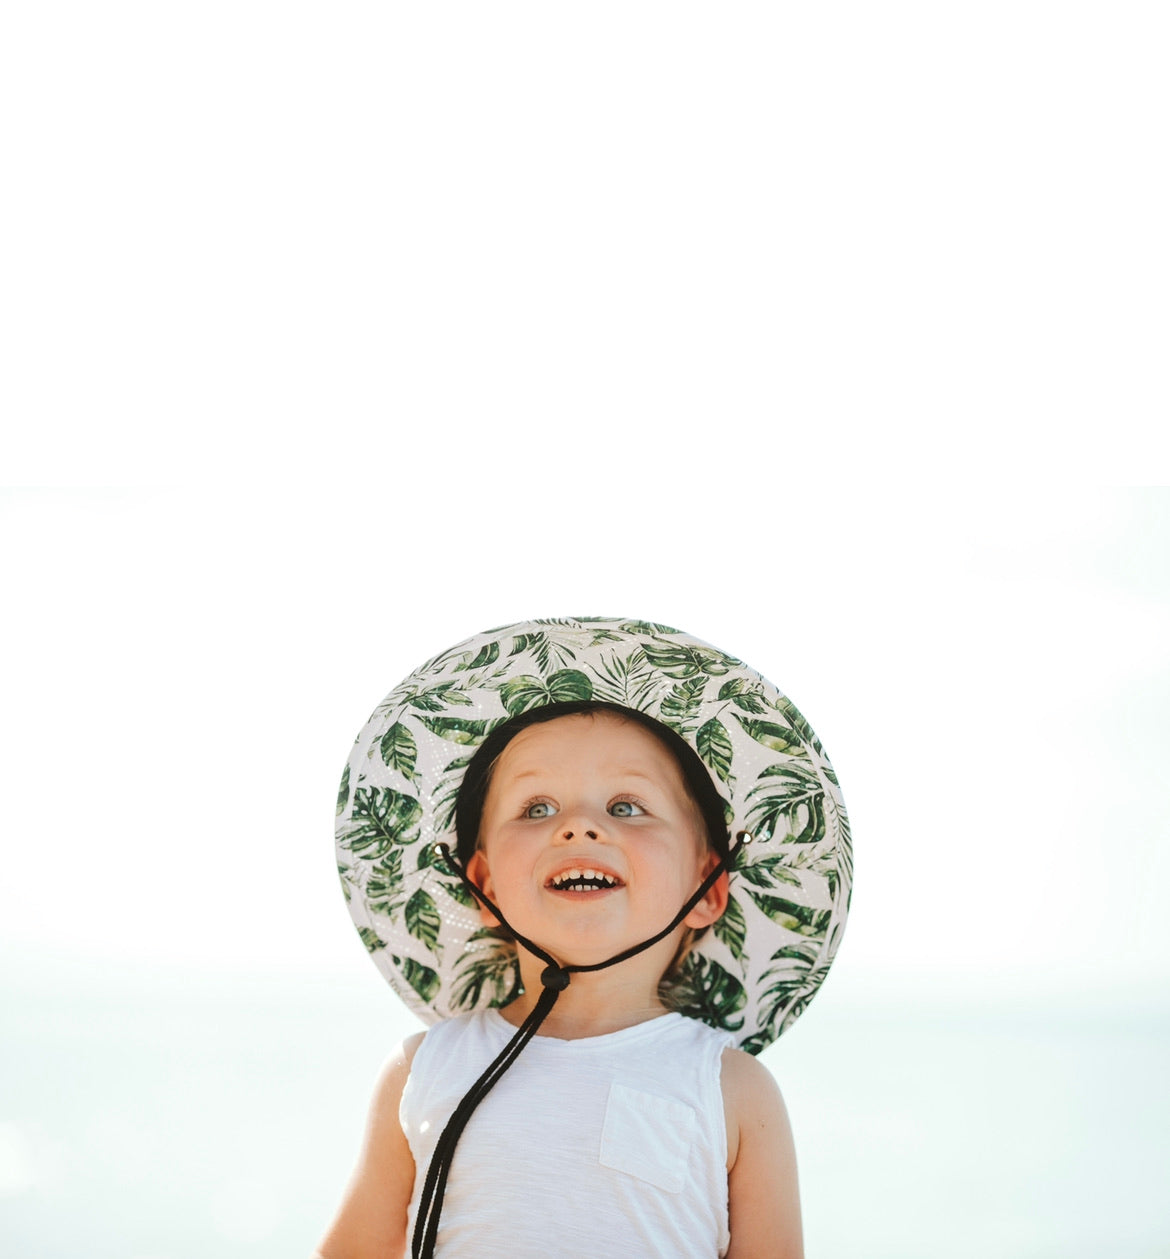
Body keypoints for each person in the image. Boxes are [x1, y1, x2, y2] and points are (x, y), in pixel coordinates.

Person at [316, 618, 851, 1259]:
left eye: (626, 806)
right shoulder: (424, 1070)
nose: (578, 827)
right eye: (536, 808)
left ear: (709, 887)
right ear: (481, 884)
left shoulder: (729, 1088)